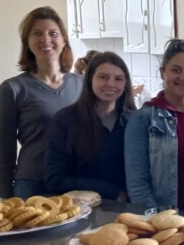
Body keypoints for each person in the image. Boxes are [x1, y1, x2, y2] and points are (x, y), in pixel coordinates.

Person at [0, 6, 83, 198]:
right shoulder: (13, 89)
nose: (46, 39)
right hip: (33, 185)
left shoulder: (83, 84)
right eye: (37, 33)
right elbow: (5, 152)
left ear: (64, 40)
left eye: (53, 33)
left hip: (76, 183)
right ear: (27, 42)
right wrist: (3, 199)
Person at [124, 39, 184, 211]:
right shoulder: (143, 119)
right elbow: (137, 184)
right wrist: (155, 219)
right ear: (163, 72)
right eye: (176, 70)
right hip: (164, 216)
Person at [45, 52, 136, 200]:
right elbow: (55, 179)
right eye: (103, 77)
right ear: (89, 80)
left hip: (127, 206)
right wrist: (112, 192)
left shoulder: (134, 121)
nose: (111, 84)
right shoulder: (64, 121)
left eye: (118, 79)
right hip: (78, 207)